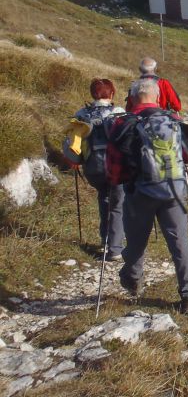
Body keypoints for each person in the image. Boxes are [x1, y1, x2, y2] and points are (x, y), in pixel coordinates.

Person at [106, 77, 188, 314]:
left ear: (133, 98)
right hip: (174, 192)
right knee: (179, 243)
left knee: (137, 241)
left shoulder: (123, 123)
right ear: (157, 97)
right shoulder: (173, 120)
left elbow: (114, 167)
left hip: (140, 192)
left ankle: (133, 278)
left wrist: (119, 182)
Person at [63, 79, 126, 261]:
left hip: (93, 167)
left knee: (103, 198)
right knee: (117, 204)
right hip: (115, 166)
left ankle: (105, 241)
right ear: (111, 94)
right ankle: (114, 248)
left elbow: (72, 140)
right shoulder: (118, 113)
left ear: (93, 94)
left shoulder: (82, 114)